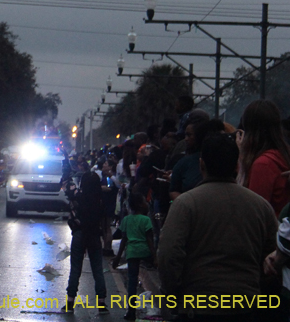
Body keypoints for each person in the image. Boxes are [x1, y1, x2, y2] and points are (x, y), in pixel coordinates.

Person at [158, 134, 277, 318]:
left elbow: (168, 254)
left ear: (201, 165)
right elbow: (273, 256)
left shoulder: (186, 204)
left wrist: (173, 295)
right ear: (237, 166)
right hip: (246, 305)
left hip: (198, 306)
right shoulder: (261, 206)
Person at [62, 171, 109, 313]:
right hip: (94, 235)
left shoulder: (77, 197)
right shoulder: (101, 200)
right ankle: (101, 303)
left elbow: (67, 185)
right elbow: (104, 222)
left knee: (75, 269)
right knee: (97, 269)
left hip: (79, 234)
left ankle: (70, 302)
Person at [238, 100, 290, 217]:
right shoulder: (282, 155)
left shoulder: (263, 164)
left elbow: (254, 211)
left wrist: (240, 158)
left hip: (270, 227)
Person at [111, 193, 156, 321]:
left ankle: (131, 311)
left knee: (132, 281)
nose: (147, 204)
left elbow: (123, 240)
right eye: (145, 201)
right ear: (140, 205)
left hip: (132, 252)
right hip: (145, 252)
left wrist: (117, 258)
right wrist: (155, 257)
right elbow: (150, 240)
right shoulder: (146, 220)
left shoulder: (126, 220)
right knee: (155, 273)